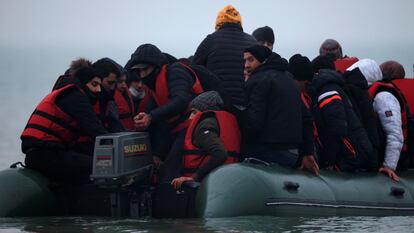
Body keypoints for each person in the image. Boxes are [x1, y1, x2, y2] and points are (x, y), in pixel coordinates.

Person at [20, 67, 108, 183]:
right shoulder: (75, 96)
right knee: (101, 165)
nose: (98, 90)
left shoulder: (67, 92)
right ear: (82, 83)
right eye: (94, 84)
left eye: (100, 86)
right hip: (44, 154)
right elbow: (96, 130)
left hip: (41, 152)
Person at [241, 45, 318, 174]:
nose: (246, 65)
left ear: (262, 60)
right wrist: (307, 152)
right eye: (245, 60)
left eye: (251, 60)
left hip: (265, 152)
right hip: (292, 154)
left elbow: (253, 124)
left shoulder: (258, 80)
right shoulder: (290, 80)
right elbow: (306, 119)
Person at [127, 43, 203, 162]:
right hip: (175, 131)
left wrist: (150, 117)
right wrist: (157, 154)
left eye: (145, 69)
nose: (142, 75)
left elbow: (181, 100)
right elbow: (157, 120)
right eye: (138, 71)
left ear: (156, 67)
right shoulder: (153, 87)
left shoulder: (175, 72)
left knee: (170, 171)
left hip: (194, 126)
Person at [348, 59, 406, 180]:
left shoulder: (384, 97)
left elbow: (394, 133)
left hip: (394, 161)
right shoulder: (364, 95)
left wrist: (389, 166)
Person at [309, 67, 375, 172]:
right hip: (357, 151)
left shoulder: (327, 91)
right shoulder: (332, 88)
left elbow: (337, 128)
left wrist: (329, 160)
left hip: (353, 155)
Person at [170, 91, 240, 189]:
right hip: (227, 180)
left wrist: (195, 177)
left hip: (206, 184)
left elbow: (220, 153)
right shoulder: (223, 121)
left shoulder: (204, 125)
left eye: (194, 112)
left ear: (203, 111)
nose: (191, 117)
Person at [193, 5, 257, 108]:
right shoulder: (252, 41)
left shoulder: (211, 40)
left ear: (219, 23)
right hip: (247, 104)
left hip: (218, 103)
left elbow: (194, 69)